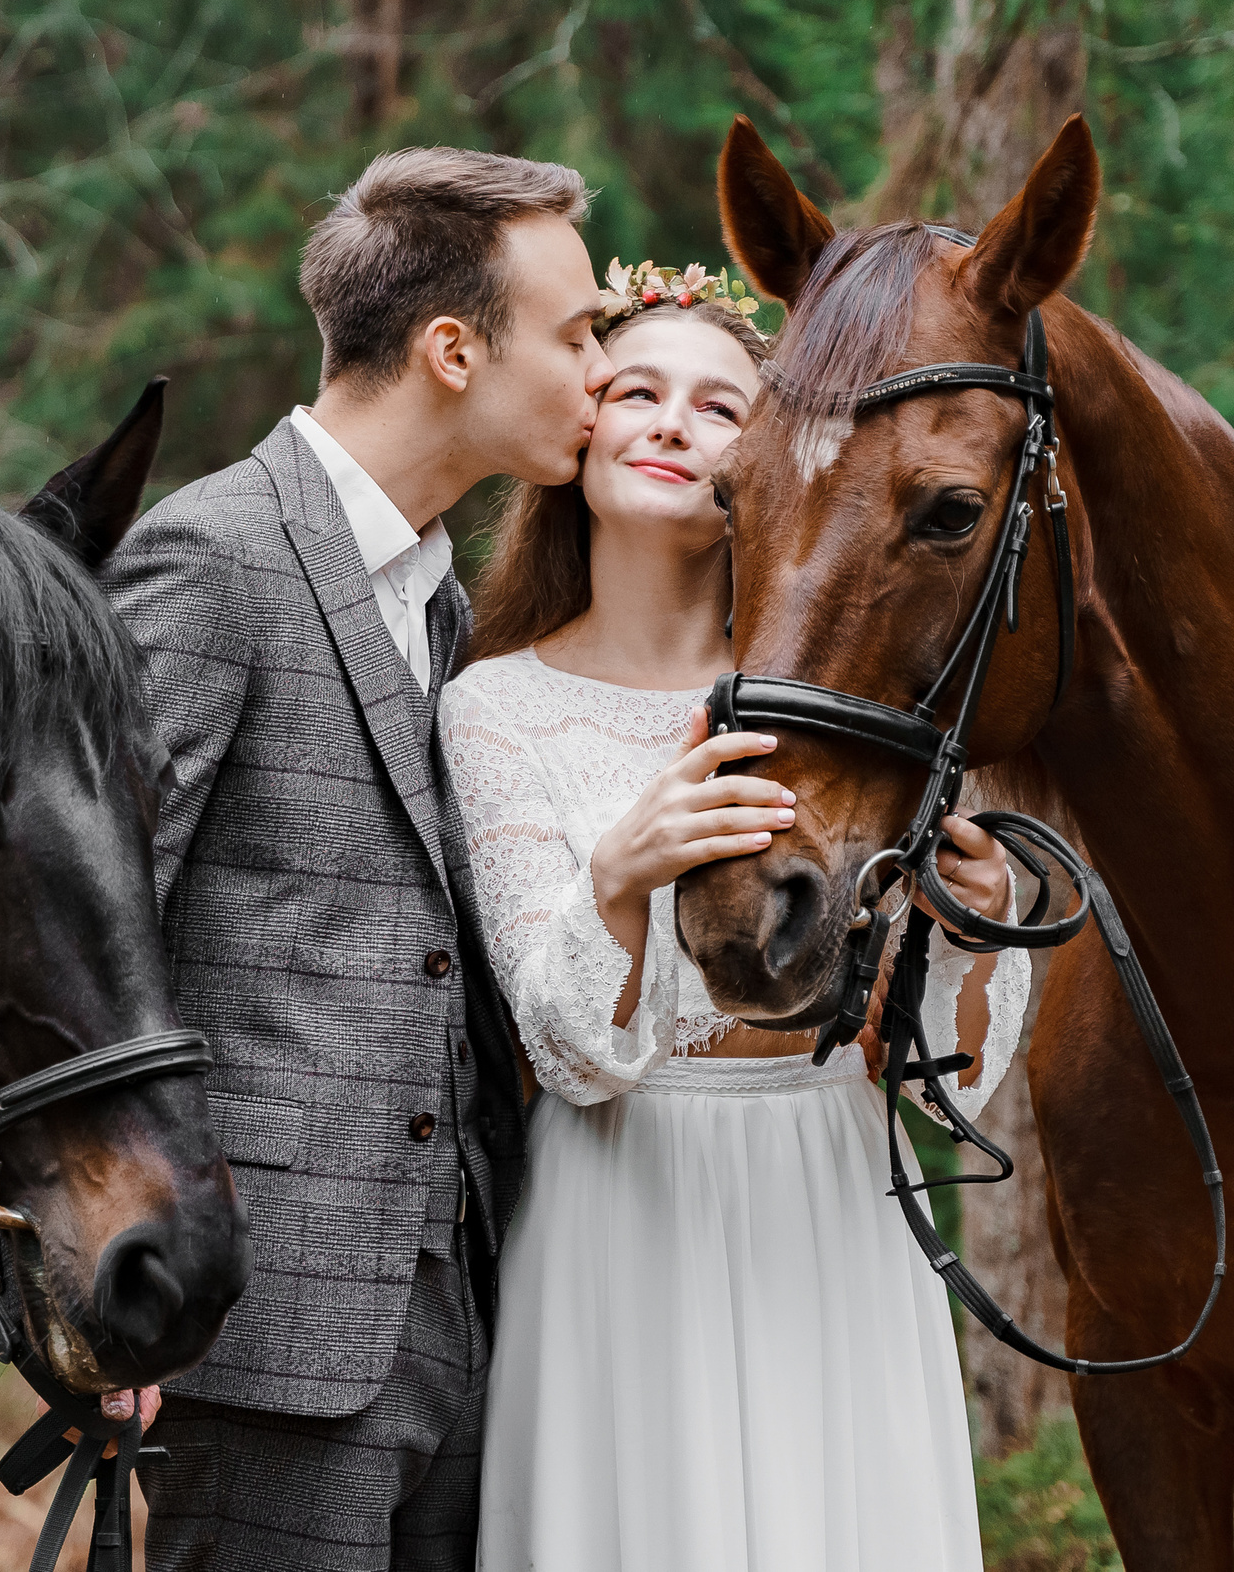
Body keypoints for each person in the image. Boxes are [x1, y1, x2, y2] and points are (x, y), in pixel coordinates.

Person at [439, 262, 1027, 1571]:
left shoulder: (850, 694)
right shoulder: (496, 709)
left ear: (764, 456)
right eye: (634, 389)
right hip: (620, 1215)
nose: (668, 422)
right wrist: (621, 876)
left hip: (830, 1190)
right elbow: (570, 1056)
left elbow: (952, 1094)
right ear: (579, 436)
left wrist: (971, 930)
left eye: (717, 407)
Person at [99, 147, 615, 1571]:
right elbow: (95, 933)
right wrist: (118, 1289)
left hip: (469, 1311)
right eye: (578, 334)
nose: (602, 372)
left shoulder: (454, 602)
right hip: (264, 1331)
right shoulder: (210, 557)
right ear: (454, 349)